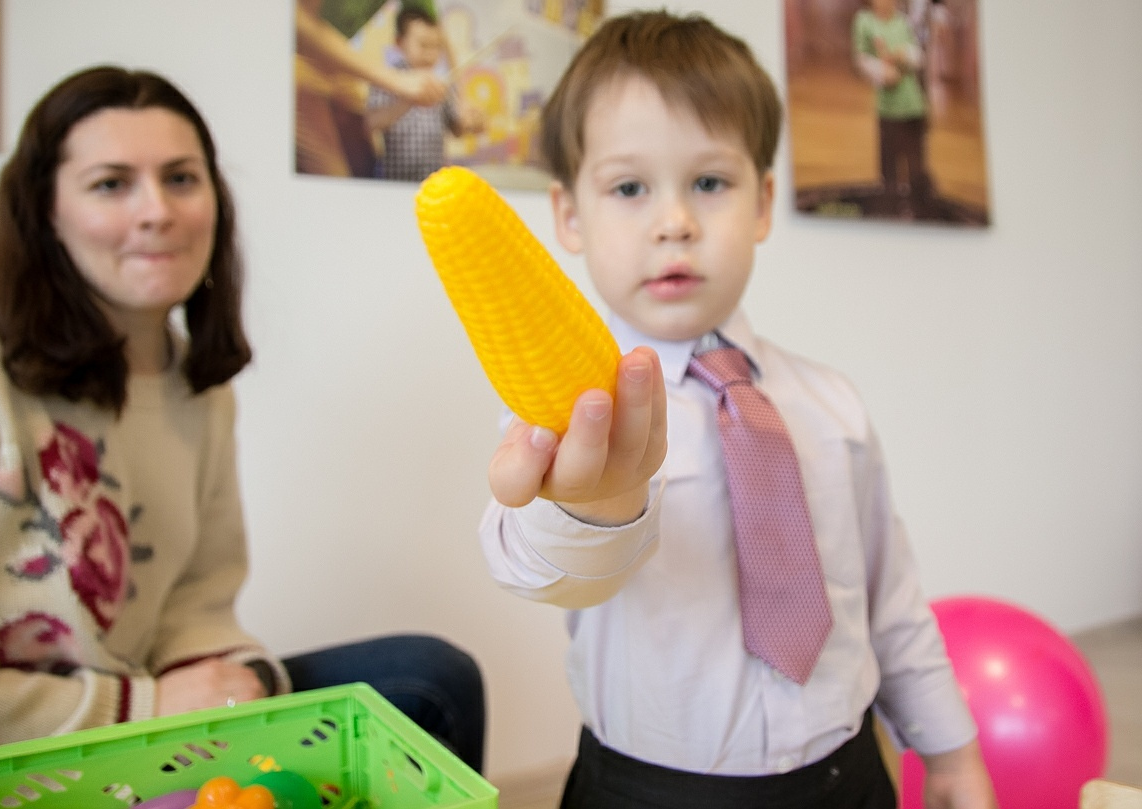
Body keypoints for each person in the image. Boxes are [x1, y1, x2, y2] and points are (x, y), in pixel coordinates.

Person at [478, 10, 995, 808]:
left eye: (710, 183)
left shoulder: (833, 405)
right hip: (650, 788)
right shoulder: (567, 415)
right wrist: (587, 507)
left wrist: (952, 750)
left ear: (761, 205)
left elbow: (890, 600)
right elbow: (533, 560)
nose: (675, 221)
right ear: (570, 217)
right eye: (628, 187)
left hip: (847, 773)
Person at [0, 65, 484, 773]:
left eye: (180, 179)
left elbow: (196, 603)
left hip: (147, 727)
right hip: (20, 756)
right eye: (111, 183)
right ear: (45, 212)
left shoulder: (199, 385)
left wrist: (242, 679)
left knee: (432, 679)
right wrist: (140, 710)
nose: (157, 211)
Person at [295, 0, 448, 177]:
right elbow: (298, 21)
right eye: (423, 45)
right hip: (295, 61)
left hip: (336, 69)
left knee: (362, 166)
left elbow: (437, 24)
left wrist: (462, 100)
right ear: (399, 43)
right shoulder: (395, 80)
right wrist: (396, 81)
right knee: (334, 175)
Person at [366, 6, 485, 182]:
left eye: (436, 47)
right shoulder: (388, 80)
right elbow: (370, 123)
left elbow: (457, 129)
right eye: (423, 45)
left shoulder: (442, 83)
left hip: (433, 183)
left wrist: (470, 121)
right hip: (393, 182)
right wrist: (408, 100)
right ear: (399, 42)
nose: (430, 54)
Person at [852, 0, 936, 217]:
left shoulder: (903, 22)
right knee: (888, 167)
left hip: (912, 106)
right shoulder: (864, 22)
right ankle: (890, 212)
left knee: (916, 165)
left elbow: (919, 57)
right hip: (887, 109)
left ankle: (920, 211)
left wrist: (903, 54)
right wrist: (881, 71)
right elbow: (861, 59)